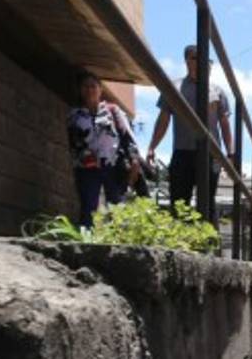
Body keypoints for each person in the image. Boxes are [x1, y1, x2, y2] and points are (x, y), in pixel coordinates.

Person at [145, 44, 234, 221]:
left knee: (206, 204)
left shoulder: (217, 91)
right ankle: (180, 237)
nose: (202, 62)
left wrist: (230, 153)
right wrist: (152, 147)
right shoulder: (174, 87)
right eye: (196, 58)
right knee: (179, 203)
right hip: (182, 152)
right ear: (187, 61)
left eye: (206, 59)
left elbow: (224, 124)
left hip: (210, 154)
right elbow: (163, 119)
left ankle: (209, 237)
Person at [66, 71, 141, 228]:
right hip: (86, 167)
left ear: (100, 89)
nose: (89, 90)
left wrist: (134, 159)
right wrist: (86, 155)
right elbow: (73, 141)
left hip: (113, 165)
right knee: (88, 206)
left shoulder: (112, 111)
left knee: (116, 207)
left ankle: (117, 238)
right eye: (85, 86)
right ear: (80, 90)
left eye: (93, 86)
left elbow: (126, 135)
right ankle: (87, 237)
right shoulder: (75, 115)